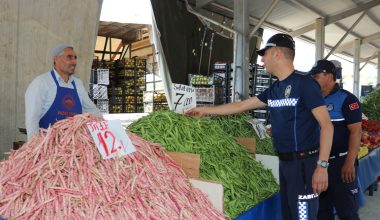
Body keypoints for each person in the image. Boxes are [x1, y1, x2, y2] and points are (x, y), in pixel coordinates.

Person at [186, 33, 333, 220]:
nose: (262, 59)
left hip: (305, 165)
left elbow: (327, 126)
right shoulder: (275, 89)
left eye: (265, 53)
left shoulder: (305, 84)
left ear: (277, 53)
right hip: (285, 163)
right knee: (289, 214)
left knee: (303, 216)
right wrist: (204, 110)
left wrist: (322, 167)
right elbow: (240, 106)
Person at [310, 60, 361, 220]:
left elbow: (356, 132)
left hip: (341, 164)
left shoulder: (347, 99)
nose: (313, 79)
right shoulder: (312, 98)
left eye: (316, 76)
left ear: (329, 76)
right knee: (321, 212)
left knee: (347, 212)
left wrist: (349, 162)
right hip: (319, 164)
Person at [25, 44, 101, 139]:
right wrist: (34, 146)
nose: (74, 61)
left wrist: (107, 128)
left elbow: (92, 111)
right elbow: (32, 118)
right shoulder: (41, 82)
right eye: (69, 57)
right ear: (56, 59)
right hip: (48, 147)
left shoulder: (78, 84)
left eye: (75, 58)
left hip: (73, 146)